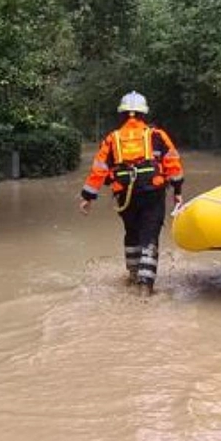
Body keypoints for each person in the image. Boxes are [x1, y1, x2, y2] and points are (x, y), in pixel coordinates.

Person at [79, 91, 185, 294]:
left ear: (122, 114)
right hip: (152, 193)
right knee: (149, 236)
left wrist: (87, 197)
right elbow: (173, 164)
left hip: (125, 196)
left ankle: (133, 275)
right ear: (143, 114)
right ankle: (145, 286)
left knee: (132, 232)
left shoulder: (112, 139)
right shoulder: (157, 136)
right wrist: (177, 191)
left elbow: (98, 170)